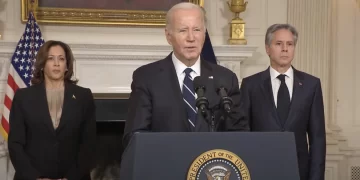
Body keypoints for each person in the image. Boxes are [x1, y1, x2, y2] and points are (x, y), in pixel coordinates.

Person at [123, 2, 249, 147]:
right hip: (166, 165)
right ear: (168, 36)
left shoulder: (225, 78)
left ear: (204, 34)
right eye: (183, 30)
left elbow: (240, 133)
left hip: (211, 167)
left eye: (197, 30)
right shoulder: (147, 78)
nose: (191, 38)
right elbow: (135, 135)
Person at [240, 24, 326, 180]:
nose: (285, 49)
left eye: (290, 44)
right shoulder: (250, 85)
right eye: (279, 44)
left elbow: (317, 139)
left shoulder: (311, 85)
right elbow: (243, 134)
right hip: (259, 170)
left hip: (299, 172)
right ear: (268, 49)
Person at [8, 40, 97, 180]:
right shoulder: (23, 97)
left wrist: (71, 177)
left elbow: (89, 143)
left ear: (67, 66)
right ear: (42, 64)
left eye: (61, 59)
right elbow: (15, 144)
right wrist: (35, 177)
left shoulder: (83, 96)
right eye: (51, 58)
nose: (56, 63)